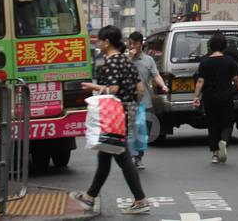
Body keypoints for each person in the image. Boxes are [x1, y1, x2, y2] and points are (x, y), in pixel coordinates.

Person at [70, 26, 150, 215]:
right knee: (105, 154)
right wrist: (130, 106)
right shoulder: (127, 61)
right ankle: (90, 196)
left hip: (113, 115)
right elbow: (139, 88)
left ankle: (140, 199)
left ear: (107, 42)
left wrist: (93, 86)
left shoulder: (112, 62)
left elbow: (113, 89)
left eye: (100, 41)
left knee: (120, 155)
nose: (98, 44)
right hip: (125, 113)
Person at [192, 33, 238, 164]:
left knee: (212, 124)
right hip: (225, 97)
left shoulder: (204, 62)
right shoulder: (230, 61)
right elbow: (237, 79)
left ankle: (215, 154)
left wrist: (196, 96)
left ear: (210, 46)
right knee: (227, 123)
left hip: (209, 98)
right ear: (224, 47)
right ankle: (224, 141)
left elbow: (200, 80)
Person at [127, 31, 168, 170]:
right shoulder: (125, 60)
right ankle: (133, 156)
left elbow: (156, 75)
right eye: (130, 43)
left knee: (143, 131)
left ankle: (138, 156)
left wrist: (162, 85)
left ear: (141, 44)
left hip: (145, 101)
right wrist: (129, 59)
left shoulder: (148, 60)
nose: (132, 46)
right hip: (129, 101)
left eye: (135, 43)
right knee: (132, 130)